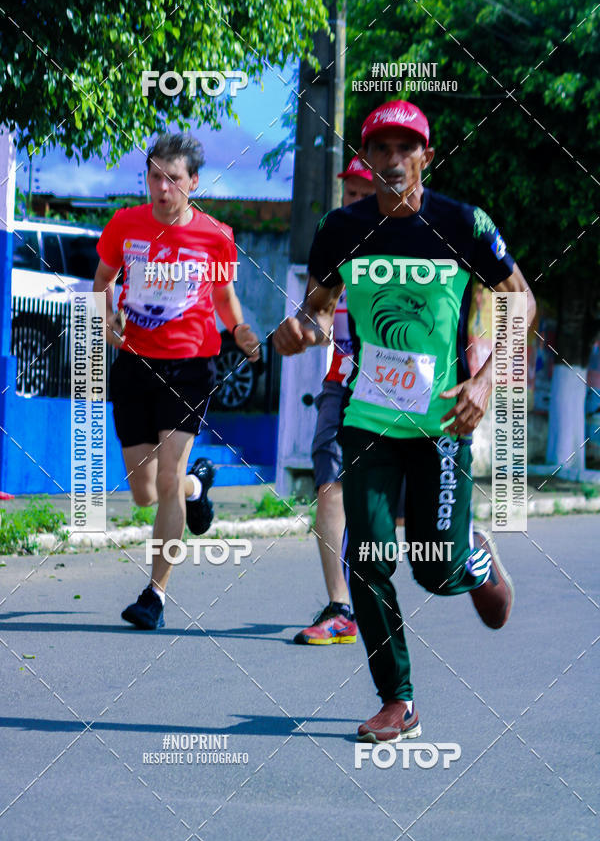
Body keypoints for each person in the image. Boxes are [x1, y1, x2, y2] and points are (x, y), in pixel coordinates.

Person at [274, 100, 536, 741]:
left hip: (442, 424)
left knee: (433, 569)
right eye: (379, 150)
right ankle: (400, 699)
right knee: (366, 559)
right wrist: (300, 330)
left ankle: (470, 560)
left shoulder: (463, 223)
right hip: (366, 420)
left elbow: (520, 299)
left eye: (405, 149)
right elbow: (319, 306)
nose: (392, 161)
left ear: (427, 155)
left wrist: (482, 381)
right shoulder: (341, 227)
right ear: (365, 159)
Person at [94, 132, 259, 629]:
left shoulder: (216, 235)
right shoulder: (125, 225)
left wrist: (240, 328)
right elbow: (102, 282)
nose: (161, 188)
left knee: (165, 477)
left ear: (193, 182)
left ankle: (155, 596)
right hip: (135, 366)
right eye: (153, 177)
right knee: (144, 492)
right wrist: (106, 319)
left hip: (189, 366)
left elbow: (224, 296)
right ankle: (197, 485)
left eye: (172, 178)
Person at [295, 156, 375, 646]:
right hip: (342, 378)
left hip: (406, 391)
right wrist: (306, 329)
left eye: (365, 195)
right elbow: (319, 312)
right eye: (350, 194)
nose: (356, 203)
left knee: (406, 507)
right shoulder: (333, 237)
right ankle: (340, 605)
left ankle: (461, 548)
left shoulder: (416, 242)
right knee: (329, 482)